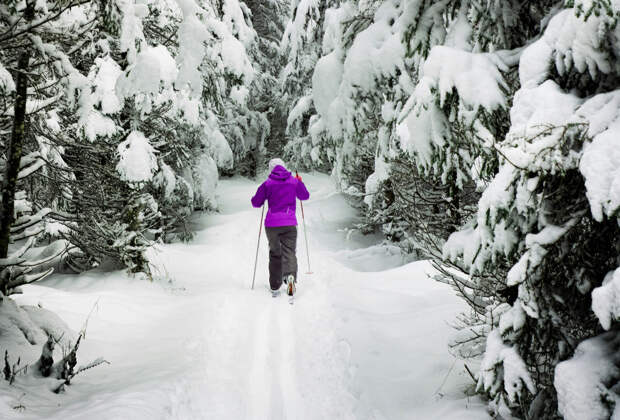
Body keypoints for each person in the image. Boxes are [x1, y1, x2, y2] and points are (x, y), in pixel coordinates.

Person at [251, 158, 310, 297]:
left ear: (271, 169)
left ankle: (275, 285)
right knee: (289, 251)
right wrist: (299, 182)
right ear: (284, 167)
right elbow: (305, 196)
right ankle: (290, 278)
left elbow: (256, 203)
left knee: (275, 253)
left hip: (272, 225)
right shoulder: (293, 181)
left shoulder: (267, 184)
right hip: (289, 223)